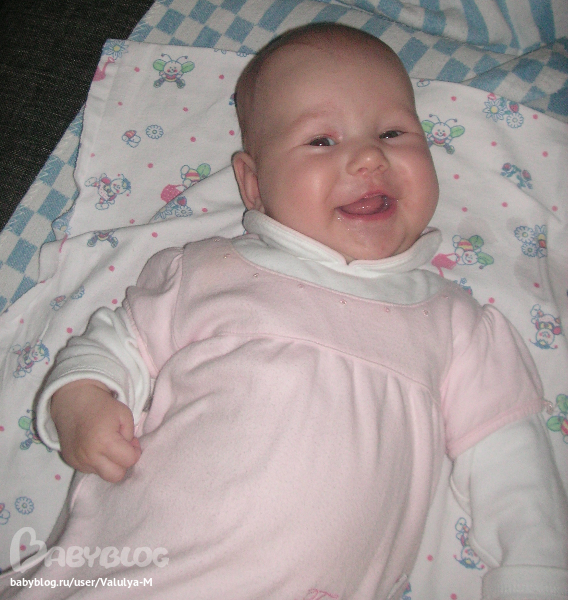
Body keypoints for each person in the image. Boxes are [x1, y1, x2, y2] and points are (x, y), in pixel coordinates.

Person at [10, 23, 568, 600]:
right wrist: (79, 400)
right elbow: (117, 343)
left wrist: (536, 574)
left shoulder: (455, 324)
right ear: (253, 184)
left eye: (393, 132)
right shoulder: (208, 269)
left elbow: (513, 463)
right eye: (321, 141)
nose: (369, 156)